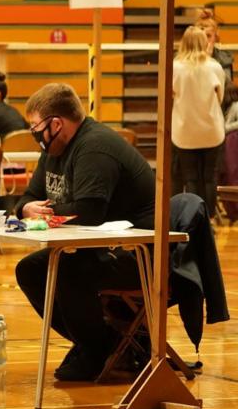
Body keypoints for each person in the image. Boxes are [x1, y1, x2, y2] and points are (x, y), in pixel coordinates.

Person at [13, 83, 155, 381]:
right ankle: (104, 343)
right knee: (30, 270)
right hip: (101, 248)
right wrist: (26, 209)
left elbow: (89, 213)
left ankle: (97, 349)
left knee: (67, 270)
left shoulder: (94, 147)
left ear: (56, 124)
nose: (34, 134)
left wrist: (48, 211)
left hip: (139, 254)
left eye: (35, 127)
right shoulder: (53, 149)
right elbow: (29, 196)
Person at [172, 26, 226, 219]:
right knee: (209, 178)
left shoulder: (175, 67)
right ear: (204, 43)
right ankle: (209, 219)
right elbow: (220, 97)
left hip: (184, 130)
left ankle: (193, 219)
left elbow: (171, 95)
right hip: (211, 130)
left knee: (190, 177)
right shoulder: (214, 66)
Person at [196, 9, 234, 82]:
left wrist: (208, 60)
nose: (204, 40)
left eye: (208, 36)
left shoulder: (224, 60)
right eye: (201, 35)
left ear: (216, 38)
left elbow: (226, 87)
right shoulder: (183, 59)